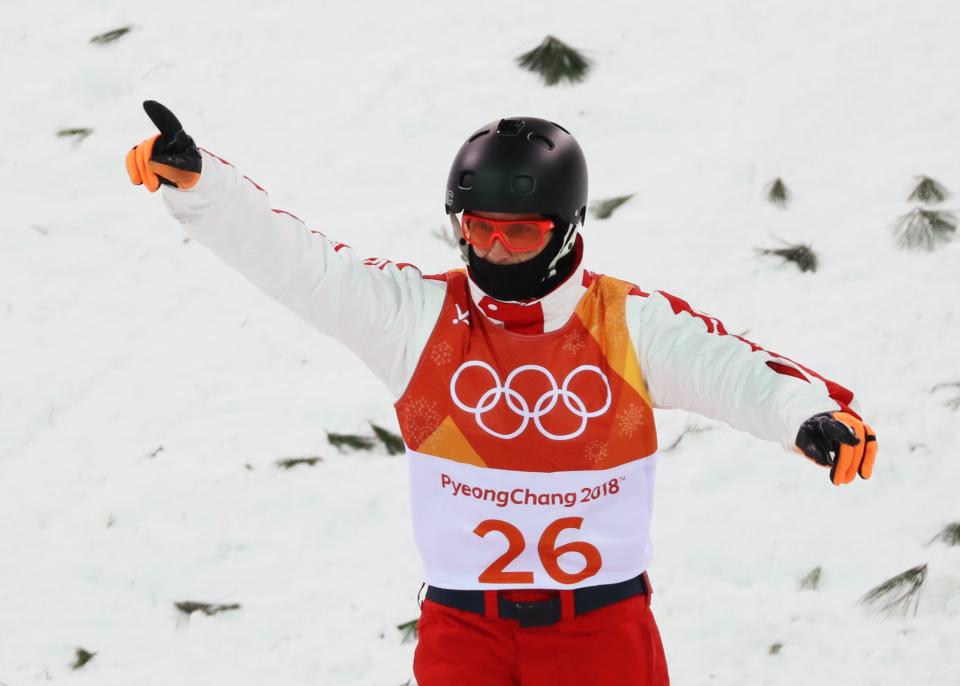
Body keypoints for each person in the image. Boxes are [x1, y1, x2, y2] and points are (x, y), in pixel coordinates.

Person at [126, 101, 878, 686]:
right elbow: (301, 265)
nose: (495, 250)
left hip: (600, 629)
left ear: (566, 228)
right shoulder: (416, 321)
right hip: (464, 632)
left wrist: (807, 415)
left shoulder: (625, 324)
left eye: (520, 235)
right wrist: (205, 190)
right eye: (479, 230)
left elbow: (734, 369)